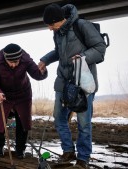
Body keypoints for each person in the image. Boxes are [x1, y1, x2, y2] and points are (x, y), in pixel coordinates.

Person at [38, 3, 107, 168]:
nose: (49, 29)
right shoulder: (58, 33)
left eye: (51, 25)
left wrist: (82, 57)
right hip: (63, 81)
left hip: (83, 83)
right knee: (59, 117)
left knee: (83, 123)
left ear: (59, 20)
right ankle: (68, 151)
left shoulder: (82, 26)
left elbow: (100, 49)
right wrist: (45, 60)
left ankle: (83, 158)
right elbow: (59, 53)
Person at [0, 43, 47, 159]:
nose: (14, 65)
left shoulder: (26, 60)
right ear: (5, 59)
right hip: (3, 94)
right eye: (11, 62)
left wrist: (43, 71)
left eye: (16, 62)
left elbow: (37, 74)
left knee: (23, 122)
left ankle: (20, 150)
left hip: (22, 95)